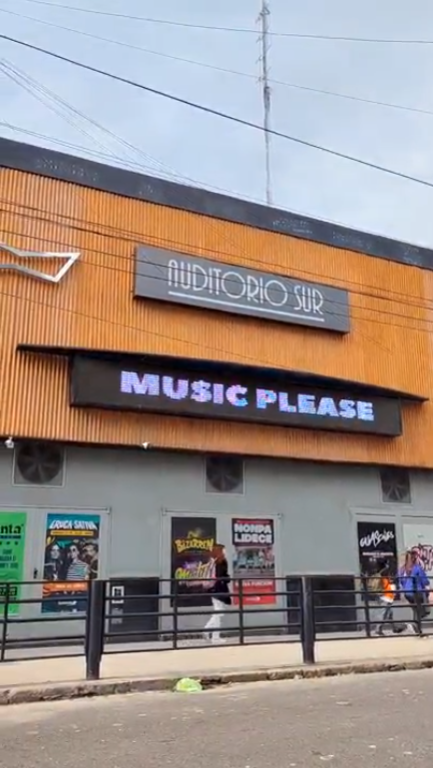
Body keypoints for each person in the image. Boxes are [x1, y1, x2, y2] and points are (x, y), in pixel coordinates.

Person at [203, 544, 231, 644]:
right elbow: (221, 577)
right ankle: (214, 636)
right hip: (219, 589)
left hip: (213, 589)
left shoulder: (213, 561)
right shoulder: (221, 562)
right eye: (224, 550)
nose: (225, 551)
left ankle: (209, 632)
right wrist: (228, 578)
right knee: (219, 612)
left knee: (219, 612)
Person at [398, 549, 430, 635]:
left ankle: (417, 629)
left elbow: (400, 581)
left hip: (407, 593)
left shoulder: (402, 569)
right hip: (417, 592)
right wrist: (426, 586)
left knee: (416, 610)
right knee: (424, 611)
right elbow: (424, 581)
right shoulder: (417, 568)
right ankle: (413, 626)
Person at [373, 560, 398, 636]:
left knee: (390, 614)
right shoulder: (383, 574)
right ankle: (378, 629)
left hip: (388, 597)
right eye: (386, 564)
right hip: (386, 597)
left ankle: (394, 628)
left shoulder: (383, 575)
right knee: (383, 614)